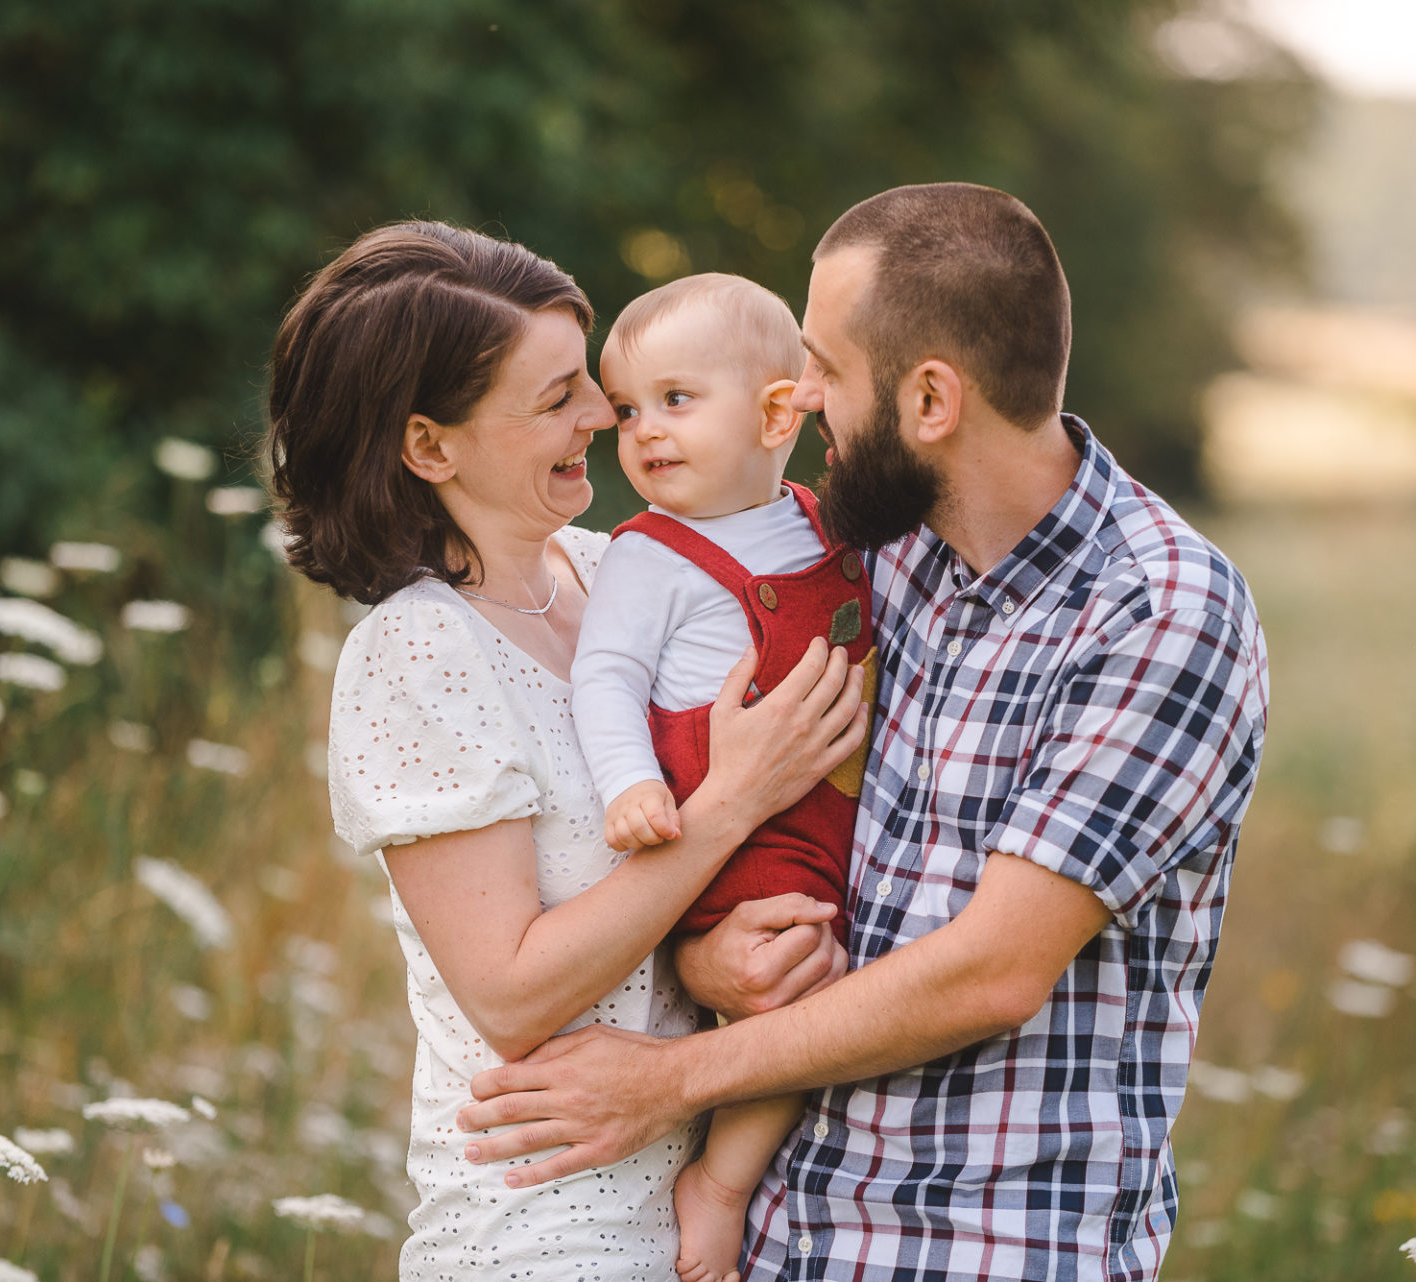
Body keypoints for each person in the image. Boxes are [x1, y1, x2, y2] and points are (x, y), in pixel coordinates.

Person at [454, 183, 1272, 1282]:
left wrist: (667, 1080)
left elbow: (992, 970)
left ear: (930, 399)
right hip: (786, 1233)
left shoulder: (1159, 613)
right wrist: (706, 956)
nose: (800, 400)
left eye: (826, 371)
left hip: (984, 1247)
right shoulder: (880, 555)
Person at [264, 221, 865, 1281]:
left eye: (592, 382)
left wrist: (704, 957)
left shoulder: (610, 570)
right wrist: (734, 799)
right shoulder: (419, 651)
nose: (604, 415)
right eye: (558, 399)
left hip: (699, 1202)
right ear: (430, 448)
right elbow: (511, 993)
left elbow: (645, 917)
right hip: (546, 1227)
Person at [570, 273, 876, 1282]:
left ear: (781, 409)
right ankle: (723, 1185)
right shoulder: (648, 555)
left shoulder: (819, 521)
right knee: (790, 988)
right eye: (627, 410)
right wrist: (630, 786)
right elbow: (606, 676)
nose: (643, 430)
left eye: (676, 399)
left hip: (826, 811)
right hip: (730, 829)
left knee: (821, 981)